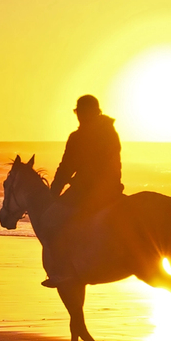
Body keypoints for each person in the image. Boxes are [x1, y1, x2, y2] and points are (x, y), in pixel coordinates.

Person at [41, 93, 123, 286]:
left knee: (49, 220)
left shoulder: (79, 136)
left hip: (87, 191)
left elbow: (66, 167)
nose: (78, 116)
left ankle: (62, 270)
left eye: (80, 112)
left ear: (87, 112)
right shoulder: (110, 131)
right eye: (77, 112)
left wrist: (54, 192)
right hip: (112, 189)